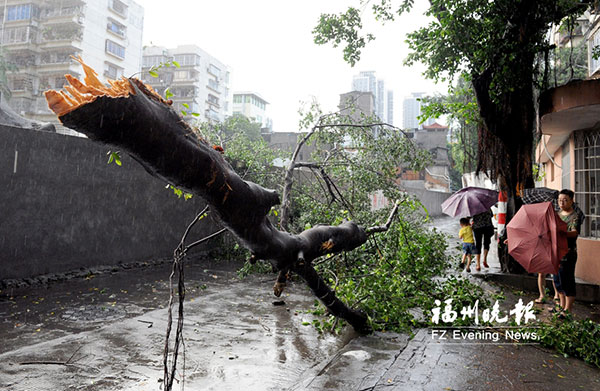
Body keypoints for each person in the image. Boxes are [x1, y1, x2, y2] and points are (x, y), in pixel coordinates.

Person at [553, 189, 581, 316]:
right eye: (560, 200)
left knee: (567, 280)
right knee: (557, 280)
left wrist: (561, 232)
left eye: (565, 200)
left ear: (571, 201)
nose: (562, 202)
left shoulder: (575, 216)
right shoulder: (557, 214)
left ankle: (568, 309)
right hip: (556, 252)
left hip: (568, 253)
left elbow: (574, 232)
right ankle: (561, 306)